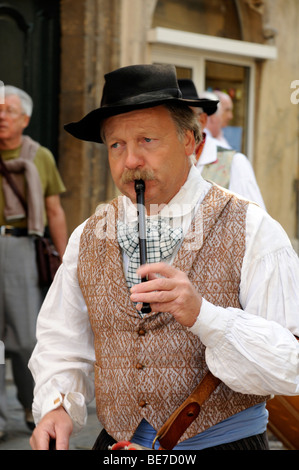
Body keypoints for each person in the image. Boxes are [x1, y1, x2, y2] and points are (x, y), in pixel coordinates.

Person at [29, 64, 299, 451]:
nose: (131, 160)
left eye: (147, 140)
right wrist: (57, 407)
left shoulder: (252, 227)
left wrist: (204, 314)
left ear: (190, 140)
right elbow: (61, 340)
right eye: (117, 145)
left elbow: (288, 365)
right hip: (117, 446)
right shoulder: (87, 235)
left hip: (220, 444)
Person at [0, 86, 68, 441]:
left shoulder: (38, 156)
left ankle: (32, 404)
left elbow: (54, 210)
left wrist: (68, 261)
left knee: (27, 338)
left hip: (20, 247)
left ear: (25, 119)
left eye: (9, 110)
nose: (1, 115)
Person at [178, 79, 265, 209]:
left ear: (202, 121)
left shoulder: (234, 163)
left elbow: (257, 224)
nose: (175, 126)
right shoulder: (159, 165)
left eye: (182, 118)